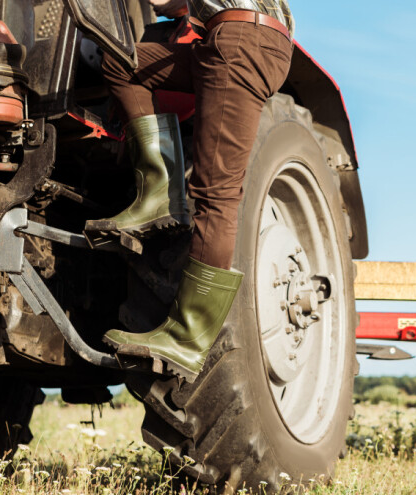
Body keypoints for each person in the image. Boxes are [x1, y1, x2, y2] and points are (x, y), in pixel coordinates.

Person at [86, 0, 295, 380]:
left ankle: (187, 339)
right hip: (229, 37)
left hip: (241, 39)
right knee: (122, 61)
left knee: (216, 196)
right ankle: (158, 196)